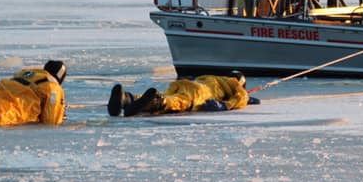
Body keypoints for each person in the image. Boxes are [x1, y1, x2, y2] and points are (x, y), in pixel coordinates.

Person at [107, 71, 259, 117]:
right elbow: (242, 98)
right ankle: (154, 103)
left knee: (168, 94)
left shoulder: (210, 77)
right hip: (199, 93)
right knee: (178, 101)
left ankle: (126, 98)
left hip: (184, 83)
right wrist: (225, 105)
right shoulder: (233, 84)